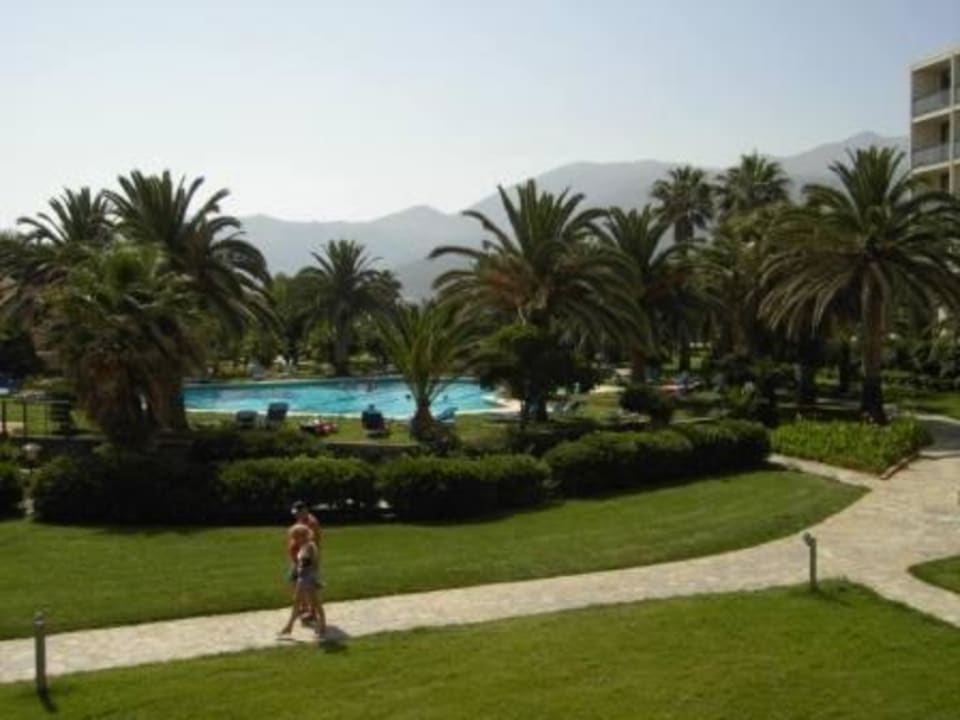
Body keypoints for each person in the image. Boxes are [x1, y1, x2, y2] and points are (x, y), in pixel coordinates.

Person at [278, 523, 326, 640]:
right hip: (303, 578)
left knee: (315, 602)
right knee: (297, 602)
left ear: (303, 535)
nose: (294, 540)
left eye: (296, 537)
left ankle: (322, 625)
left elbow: (312, 564)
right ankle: (289, 626)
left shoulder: (309, 546)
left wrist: (312, 579)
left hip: (308, 578)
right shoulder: (304, 546)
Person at [287, 501, 321, 618]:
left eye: (298, 512)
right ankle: (304, 607)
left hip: (306, 560)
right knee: (295, 582)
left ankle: (311, 611)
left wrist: (302, 560)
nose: (295, 515)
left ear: (305, 510)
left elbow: (308, 542)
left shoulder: (311, 523)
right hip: (298, 558)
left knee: (307, 586)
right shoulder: (302, 520)